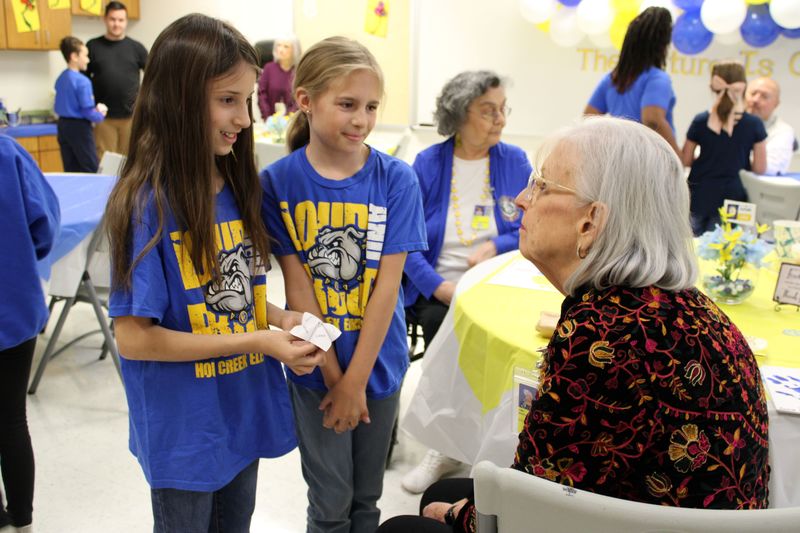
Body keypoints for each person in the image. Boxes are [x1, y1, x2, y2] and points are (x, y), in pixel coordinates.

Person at [378, 116, 770, 533]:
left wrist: (457, 516)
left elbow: (536, 505)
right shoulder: (694, 310)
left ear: (591, 222)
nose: (523, 200)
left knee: (410, 522)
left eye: (542, 185)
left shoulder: (601, 334)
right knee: (446, 491)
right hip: (654, 514)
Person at [103, 14, 324, 532]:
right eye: (228, 100)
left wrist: (278, 318)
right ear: (178, 99)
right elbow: (135, 338)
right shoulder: (147, 203)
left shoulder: (233, 182)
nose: (244, 118)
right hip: (186, 429)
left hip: (239, 410)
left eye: (246, 100)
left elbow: (220, 292)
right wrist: (259, 342)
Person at [260, 36, 427, 533]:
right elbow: (299, 291)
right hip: (316, 371)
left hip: (378, 366)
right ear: (306, 101)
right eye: (348, 104)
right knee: (330, 504)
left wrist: (356, 381)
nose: (362, 119)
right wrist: (336, 379)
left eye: (371, 107)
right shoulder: (277, 183)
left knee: (367, 501)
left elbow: (386, 290)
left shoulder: (397, 179)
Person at [401, 70, 531, 495]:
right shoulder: (429, 164)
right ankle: (446, 444)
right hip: (439, 285)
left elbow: (530, 226)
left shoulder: (514, 161)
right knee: (450, 329)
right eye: (488, 111)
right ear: (459, 114)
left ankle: (497, 444)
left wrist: (497, 243)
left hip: (495, 282)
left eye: (503, 110)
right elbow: (406, 242)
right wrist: (439, 286)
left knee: (515, 341)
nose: (500, 120)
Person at [0, 135, 60, 533]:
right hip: (11, 305)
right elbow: (45, 223)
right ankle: (22, 520)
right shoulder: (7, 153)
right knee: (10, 419)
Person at [682, 61, 767, 236]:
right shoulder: (754, 124)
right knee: (727, 252)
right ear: (743, 87)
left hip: (699, 194)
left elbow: (686, 160)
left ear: (713, 87)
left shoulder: (700, 121)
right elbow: (760, 168)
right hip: (734, 199)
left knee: (691, 249)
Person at [584, 6, 679, 154]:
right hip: (649, 159)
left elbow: (588, 118)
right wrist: (677, 156)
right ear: (662, 45)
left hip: (618, 156)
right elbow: (652, 118)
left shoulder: (612, 78)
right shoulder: (657, 78)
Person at [86, 1, 147, 158]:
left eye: (121, 20)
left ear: (126, 21)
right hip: (103, 119)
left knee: (130, 162)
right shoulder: (92, 46)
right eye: (112, 19)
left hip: (131, 117)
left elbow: (153, 76)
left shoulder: (137, 47)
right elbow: (83, 81)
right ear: (105, 19)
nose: (116, 24)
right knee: (105, 162)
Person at [54, 36, 107, 173]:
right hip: (79, 128)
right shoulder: (82, 81)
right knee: (91, 168)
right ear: (74, 56)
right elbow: (87, 112)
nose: (88, 60)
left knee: (71, 169)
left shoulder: (61, 78)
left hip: (63, 126)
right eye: (85, 55)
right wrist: (101, 114)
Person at [745, 77, 797, 176]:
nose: (755, 100)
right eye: (752, 94)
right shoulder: (727, 124)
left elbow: (767, 169)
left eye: (764, 96)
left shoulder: (783, 131)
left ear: (776, 104)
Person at [257, 36, 301, 121]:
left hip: (292, 121)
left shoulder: (299, 71)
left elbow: (299, 98)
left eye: (286, 46)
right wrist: (268, 118)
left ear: (295, 50)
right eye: (278, 45)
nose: (281, 49)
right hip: (270, 120)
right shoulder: (268, 68)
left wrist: (289, 118)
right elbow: (261, 94)